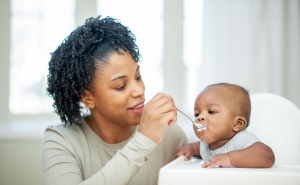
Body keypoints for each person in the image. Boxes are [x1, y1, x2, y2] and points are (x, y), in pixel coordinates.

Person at [42, 16, 187, 185]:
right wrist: (144, 141)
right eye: (120, 86)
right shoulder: (61, 141)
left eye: (138, 77)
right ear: (87, 97)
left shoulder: (169, 134)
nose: (139, 91)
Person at [175, 83, 275, 168]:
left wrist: (229, 158)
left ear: (237, 123)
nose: (200, 117)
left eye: (211, 111)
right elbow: (197, 148)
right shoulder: (205, 145)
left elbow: (267, 156)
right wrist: (190, 149)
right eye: (197, 114)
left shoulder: (241, 140)